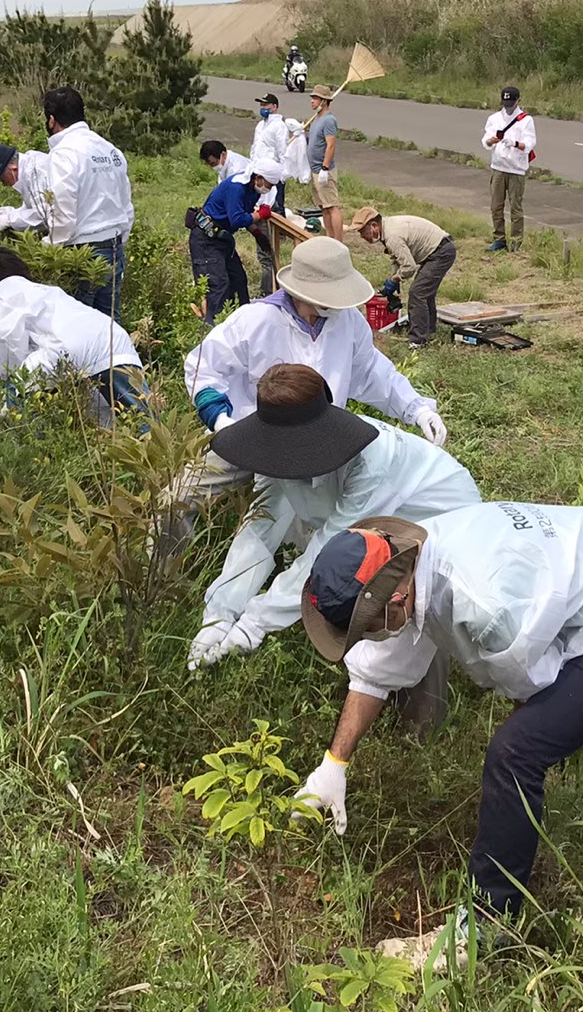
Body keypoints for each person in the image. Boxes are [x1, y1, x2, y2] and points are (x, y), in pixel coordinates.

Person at [296, 503, 583, 959]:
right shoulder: (414, 562)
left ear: (395, 601)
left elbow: (538, 687)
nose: (370, 639)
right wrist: (333, 765)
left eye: (368, 628)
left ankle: (483, 929)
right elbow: (377, 670)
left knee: (517, 754)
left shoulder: (483, 602)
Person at [188, 363, 481, 672]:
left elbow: (329, 545)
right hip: (371, 523)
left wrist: (256, 623)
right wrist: (220, 613)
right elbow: (261, 526)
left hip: (440, 519)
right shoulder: (273, 450)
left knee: (404, 603)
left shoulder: (372, 462)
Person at [181, 235, 447, 499]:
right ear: (302, 292)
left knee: (314, 521)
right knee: (178, 499)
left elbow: (371, 372)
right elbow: (203, 369)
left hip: (318, 449)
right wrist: (221, 421)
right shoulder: (255, 321)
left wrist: (416, 409)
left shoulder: (348, 322)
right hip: (249, 438)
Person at [0, 246, 149, 427]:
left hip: (66, 348)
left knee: (18, 400)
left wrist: (12, 388)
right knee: (144, 419)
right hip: (113, 339)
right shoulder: (44, 290)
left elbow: (9, 345)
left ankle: (29, 449)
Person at [41, 85, 135, 316]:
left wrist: (47, 247)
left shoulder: (64, 153)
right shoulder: (110, 150)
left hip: (83, 254)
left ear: (52, 120)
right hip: (114, 247)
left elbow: (62, 211)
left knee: (79, 328)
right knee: (110, 328)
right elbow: (127, 205)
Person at [353, 205, 456, 347]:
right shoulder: (387, 229)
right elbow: (397, 258)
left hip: (441, 253)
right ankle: (428, 329)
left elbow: (409, 267)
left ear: (374, 225)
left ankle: (418, 340)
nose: (362, 237)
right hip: (438, 249)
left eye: (363, 232)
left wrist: (394, 279)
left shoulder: (392, 236)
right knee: (425, 293)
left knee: (418, 293)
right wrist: (394, 276)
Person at [192, 159, 283, 320]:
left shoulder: (253, 190)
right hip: (206, 240)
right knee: (218, 285)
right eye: (268, 185)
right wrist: (259, 215)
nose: (268, 189)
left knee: (238, 280)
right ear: (259, 178)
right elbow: (238, 219)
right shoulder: (237, 187)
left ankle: (243, 322)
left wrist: (257, 234)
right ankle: (213, 327)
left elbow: (245, 213)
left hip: (223, 239)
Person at [482, 85, 535, 252]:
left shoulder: (526, 120)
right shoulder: (494, 118)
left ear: (518, 101)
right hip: (498, 167)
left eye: (511, 103)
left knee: (515, 206)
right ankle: (499, 238)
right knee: (496, 205)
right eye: (506, 103)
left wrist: (515, 144)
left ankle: (516, 240)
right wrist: (491, 141)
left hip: (516, 169)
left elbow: (530, 143)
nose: (508, 107)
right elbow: (485, 140)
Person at [0, 143, 50, 233]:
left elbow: (43, 214)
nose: (5, 184)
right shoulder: (27, 166)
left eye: (3, 179)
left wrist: (9, 220)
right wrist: (9, 212)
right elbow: (33, 206)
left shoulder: (34, 172)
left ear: (12, 168)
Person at [250, 93, 302, 215]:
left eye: (265, 105)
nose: (262, 107)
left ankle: (280, 233)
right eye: (261, 105)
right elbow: (255, 146)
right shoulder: (260, 125)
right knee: (260, 204)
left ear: (274, 107)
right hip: (258, 169)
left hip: (272, 170)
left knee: (276, 205)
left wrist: (282, 172)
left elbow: (282, 151)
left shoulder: (279, 126)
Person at [305, 83, 342, 241]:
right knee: (323, 206)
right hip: (314, 169)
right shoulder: (316, 120)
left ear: (324, 101)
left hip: (323, 169)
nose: (312, 101)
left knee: (332, 206)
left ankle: (338, 241)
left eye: (316, 98)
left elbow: (331, 145)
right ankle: (329, 237)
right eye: (312, 97)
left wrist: (325, 168)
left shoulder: (329, 120)